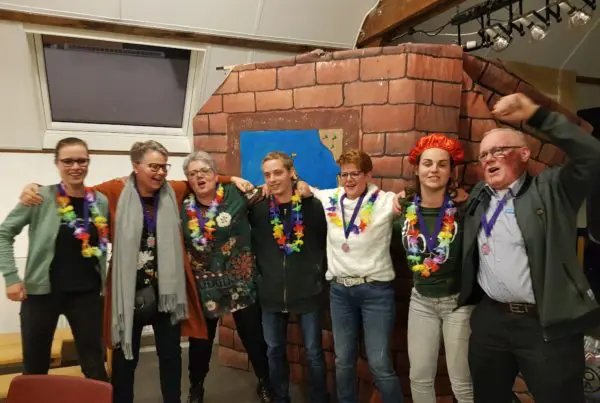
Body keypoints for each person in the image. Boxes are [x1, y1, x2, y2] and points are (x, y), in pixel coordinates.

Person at [18, 141, 242, 403]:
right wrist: (35, 187)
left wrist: (231, 179)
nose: (160, 172)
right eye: (153, 166)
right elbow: (75, 191)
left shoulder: (173, 190)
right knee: (125, 359)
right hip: (128, 294)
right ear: (136, 166)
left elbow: (198, 180)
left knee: (171, 356)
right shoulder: (114, 191)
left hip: (167, 292)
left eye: (164, 167)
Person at [457, 93, 600, 403]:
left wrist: (536, 114)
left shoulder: (552, 190)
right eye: (484, 155)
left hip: (545, 324)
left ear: (524, 153)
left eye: (498, 150)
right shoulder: (480, 196)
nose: (489, 158)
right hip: (491, 320)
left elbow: (591, 154)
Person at [297, 149, 403, 403]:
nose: (349, 180)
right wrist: (300, 186)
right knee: (343, 360)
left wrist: (404, 199)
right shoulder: (330, 198)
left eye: (355, 173)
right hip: (340, 292)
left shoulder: (384, 201)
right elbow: (308, 189)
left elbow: (405, 201)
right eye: (344, 174)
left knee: (379, 364)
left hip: (375, 292)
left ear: (368, 175)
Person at [0, 137, 109, 381]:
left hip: (87, 295)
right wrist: (11, 277)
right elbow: (3, 234)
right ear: (57, 163)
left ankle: (100, 397)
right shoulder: (40, 197)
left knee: (94, 365)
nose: (75, 167)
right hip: (41, 295)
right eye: (68, 161)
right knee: (35, 366)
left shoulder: (99, 201)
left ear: (88, 162)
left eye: (81, 161)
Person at [181, 151, 272, 403]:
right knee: (200, 342)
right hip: (204, 287)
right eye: (192, 173)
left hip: (240, 282)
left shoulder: (235, 194)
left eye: (205, 171)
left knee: (253, 336)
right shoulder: (182, 203)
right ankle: (196, 387)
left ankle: (265, 381)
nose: (199, 177)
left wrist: (298, 185)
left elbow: (270, 192)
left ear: (215, 174)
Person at [393, 134, 473, 403]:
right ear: (416, 169)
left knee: (462, 382)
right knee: (419, 378)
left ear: (452, 172)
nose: (434, 170)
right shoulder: (403, 211)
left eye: (442, 164)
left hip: (457, 303)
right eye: (427, 163)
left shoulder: (465, 210)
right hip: (421, 301)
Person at [248, 151, 328, 403]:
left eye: (278, 172)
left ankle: (319, 399)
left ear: (291, 173)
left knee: (313, 352)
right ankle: (280, 398)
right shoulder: (258, 208)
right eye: (267, 174)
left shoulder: (312, 205)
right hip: (270, 292)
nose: (272, 179)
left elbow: (325, 241)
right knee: (274, 350)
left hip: (307, 290)